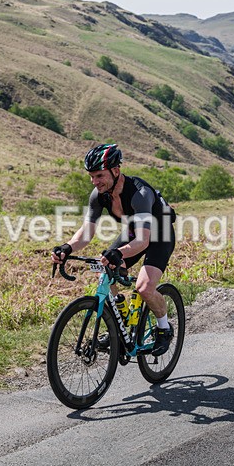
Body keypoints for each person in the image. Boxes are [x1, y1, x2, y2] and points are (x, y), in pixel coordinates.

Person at [52, 143, 177, 356]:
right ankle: (117, 325)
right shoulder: (99, 195)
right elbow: (86, 234)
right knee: (104, 268)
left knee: (144, 288)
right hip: (134, 232)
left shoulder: (140, 193)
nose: (94, 182)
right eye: (91, 176)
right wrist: (67, 248)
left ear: (115, 171)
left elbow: (143, 241)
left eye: (99, 176)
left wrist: (119, 253)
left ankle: (164, 329)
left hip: (159, 234)